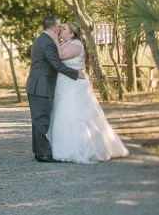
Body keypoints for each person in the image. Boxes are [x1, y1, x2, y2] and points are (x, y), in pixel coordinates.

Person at [49, 21, 129, 163]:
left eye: (64, 28)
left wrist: (54, 40)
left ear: (72, 33)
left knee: (73, 114)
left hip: (74, 86)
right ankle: (61, 148)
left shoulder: (76, 44)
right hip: (64, 84)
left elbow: (60, 56)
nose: (61, 29)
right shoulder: (65, 43)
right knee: (61, 114)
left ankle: (80, 149)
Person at [26, 15, 85, 163]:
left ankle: (39, 152)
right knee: (42, 120)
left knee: (38, 120)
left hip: (36, 85)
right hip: (42, 86)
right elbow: (57, 65)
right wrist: (76, 74)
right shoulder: (47, 43)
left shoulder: (41, 39)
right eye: (59, 26)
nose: (59, 29)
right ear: (52, 28)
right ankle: (44, 155)